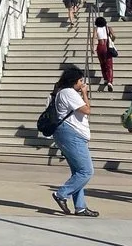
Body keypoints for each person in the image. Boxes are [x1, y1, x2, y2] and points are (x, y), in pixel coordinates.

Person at [49, 66, 98, 217]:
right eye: (80, 80)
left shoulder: (63, 92)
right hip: (71, 134)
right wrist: (84, 93)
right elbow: (87, 109)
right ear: (73, 81)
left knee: (78, 172)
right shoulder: (68, 93)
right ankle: (61, 194)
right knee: (86, 171)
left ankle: (80, 207)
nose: (82, 83)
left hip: (71, 134)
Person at [91, 17, 116, 91]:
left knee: (102, 63)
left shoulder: (96, 29)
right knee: (109, 65)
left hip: (100, 47)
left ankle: (105, 78)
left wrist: (92, 47)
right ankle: (110, 81)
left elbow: (94, 38)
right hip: (107, 46)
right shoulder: (108, 28)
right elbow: (114, 36)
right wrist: (112, 41)